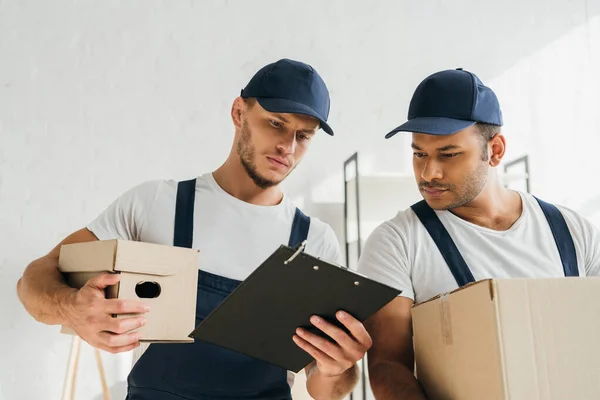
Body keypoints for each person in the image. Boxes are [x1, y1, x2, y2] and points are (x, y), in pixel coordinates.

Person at [17, 58, 372, 400]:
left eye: (304, 135)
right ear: (238, 112)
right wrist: (72, 309)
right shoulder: (155, 203)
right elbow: (34, 279)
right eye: (276, 123)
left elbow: (324, 388)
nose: (287, 147)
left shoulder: (315, 242)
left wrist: (336, 369)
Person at [357, 68, 600, 399]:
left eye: (449, 154)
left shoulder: (574, 233)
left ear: (495, 150)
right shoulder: (397, 242)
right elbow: (387, 365)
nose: (429, 172)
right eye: (419, 154)